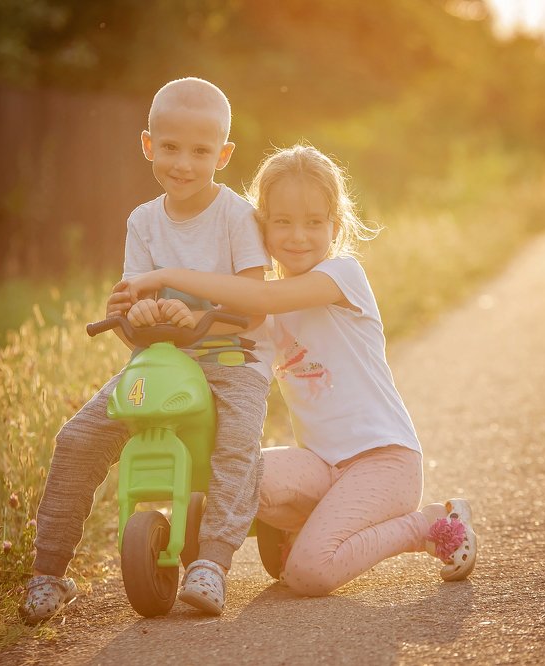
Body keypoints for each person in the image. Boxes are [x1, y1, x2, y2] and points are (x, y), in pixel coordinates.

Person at [117, 143, 477, 597]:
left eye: (314, 222)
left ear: (336, 224)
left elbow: (262, 299)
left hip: (383, 462)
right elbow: (220, 343)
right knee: (234, 478)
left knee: (309, 573)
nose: (298, 236)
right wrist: (143, 318)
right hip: (320, 465)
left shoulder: (342, 277)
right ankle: (313, 527)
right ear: (260, 224)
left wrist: (169, 274)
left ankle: (428, 525)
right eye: (281, 221)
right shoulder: (255, 315)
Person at [21, 77, 273, 622]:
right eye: (170, 147)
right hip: (161, 360)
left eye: (201, 151)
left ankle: (212, 562)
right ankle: (48, 571)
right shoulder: (143, 221)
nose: (183, 162)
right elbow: (135, 302)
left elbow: (255, 304)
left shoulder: (236, 217)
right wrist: (136, 312)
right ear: (147, 145)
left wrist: (195, 309)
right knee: (77, 437)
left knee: (238, 442)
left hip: (232, 359)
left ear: (223, 155)